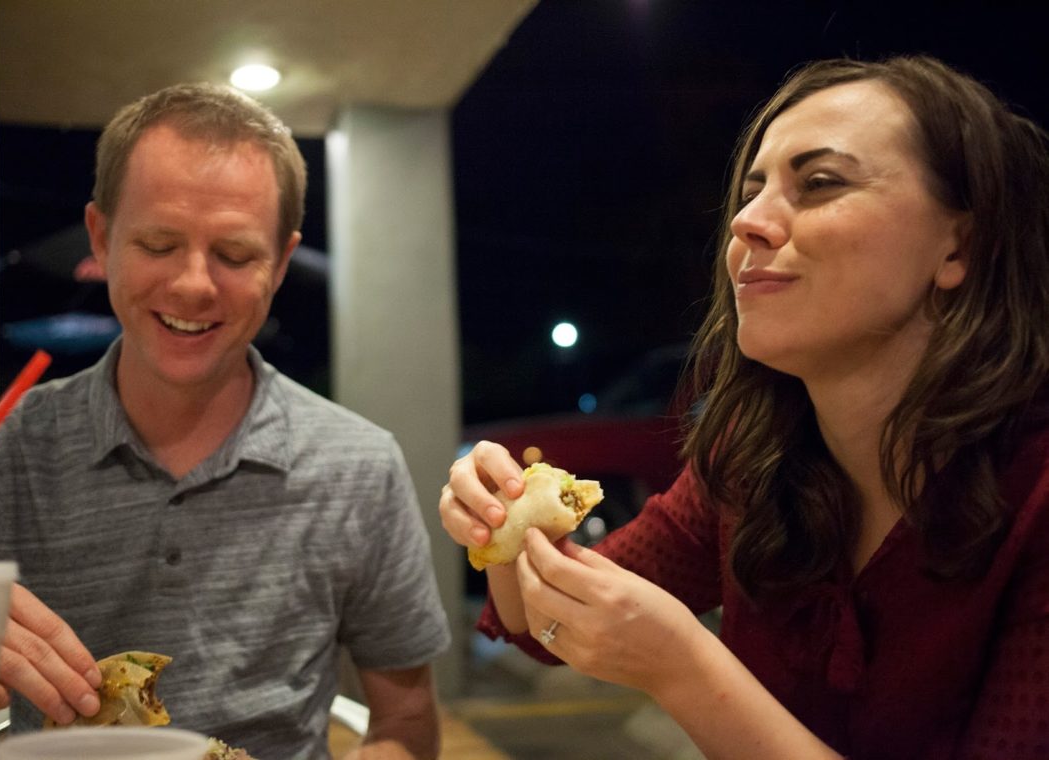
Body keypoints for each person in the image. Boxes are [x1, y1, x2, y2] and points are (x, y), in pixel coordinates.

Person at [440, 54, 1049, 759]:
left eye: (820, 184)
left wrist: (684, 667)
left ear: (958, 246)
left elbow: (652, 653)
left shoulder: (1032, 491)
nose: (746, 224)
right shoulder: (753, 460)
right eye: (752, 192)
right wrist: (503, 531)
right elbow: (546, 635)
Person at [0, 82, 450, 759]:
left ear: (281, 262)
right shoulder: (6, 453)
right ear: (102, 239)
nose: (194, 284)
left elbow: (405, 725)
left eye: (234, 255)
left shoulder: (360, 467)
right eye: (159, 243)